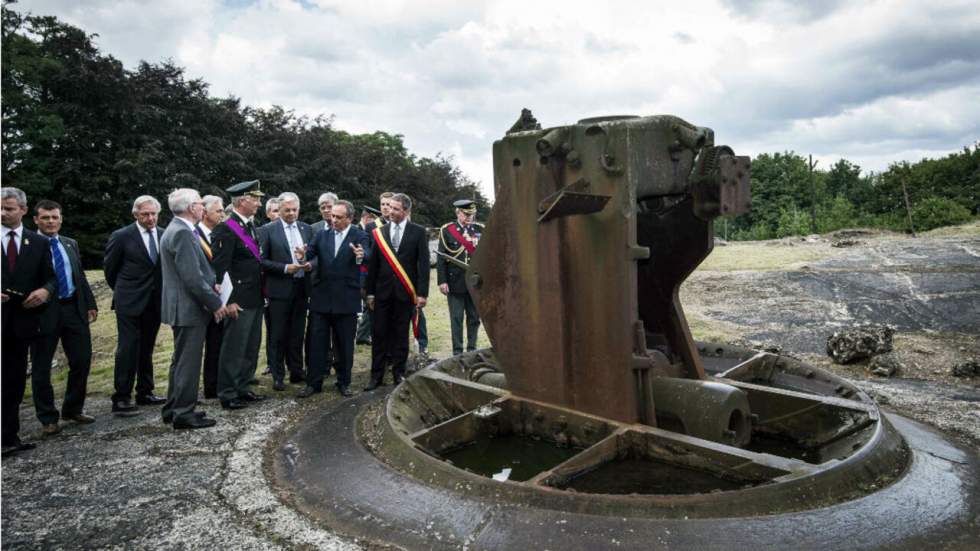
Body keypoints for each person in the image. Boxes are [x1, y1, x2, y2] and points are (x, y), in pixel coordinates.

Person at [29, 200, 99, 436]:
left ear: (61, 219)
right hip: (43, 313)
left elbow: (79, 275)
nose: (51, 221)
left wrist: (89, 304)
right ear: (36, 219)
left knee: (81, 360)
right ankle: (48, 417)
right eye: (45, 218)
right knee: (41, 366)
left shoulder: (70, 243)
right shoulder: (30, 245)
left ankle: (73, 408)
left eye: (55, 217)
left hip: (73, 309)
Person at [159, 189, 226, 429]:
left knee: (180, 360)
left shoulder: (177, 229)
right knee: (188, 361)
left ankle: (173, 407)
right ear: (191, 208)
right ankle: (184, 413)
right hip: (190, 307)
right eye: (199, 203)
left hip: (183, 306)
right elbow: (192, 278)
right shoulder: (183, 233)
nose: (202, 207)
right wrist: (215, 303)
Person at [2, 187, 57, 456]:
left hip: (21, 322)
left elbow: (51, 277)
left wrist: (45, 291)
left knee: (13, 380)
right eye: (0, 208)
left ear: (23, 210)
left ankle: (8, 436)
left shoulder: (38, 243)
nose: (3, 213)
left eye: (9, 208)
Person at [299, 200, 368, 397]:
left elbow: (367, 253)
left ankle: (343, 382)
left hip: (346, 298)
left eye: (338, 217)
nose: (333, 220)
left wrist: (361, 255)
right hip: (321, 297)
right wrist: (302, 256)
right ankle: (314, 383)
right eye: (332, 216)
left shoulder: (359, 235)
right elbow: (309, 254)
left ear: (350, 218)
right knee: (316, 342)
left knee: (344, 344)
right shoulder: (322, 234)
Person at [104, 195, 166, 415]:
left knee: (147, 347)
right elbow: (110, 270)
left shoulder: (163, 234)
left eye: (153, 214)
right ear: (135, 214)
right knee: (128, 348)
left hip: (154, 301)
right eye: (145, 214)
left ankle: (145, 391)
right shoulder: (122, 236)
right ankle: (121, 397)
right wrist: (125, 292)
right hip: (129, 301)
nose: (150, 218)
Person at [211, 180, 268, 410]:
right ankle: (228, 392)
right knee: (234, 347)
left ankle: (243, 387)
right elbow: (219, 269)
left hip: (254, 295)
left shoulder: (249, 225)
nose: (259, 203)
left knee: (251, 345)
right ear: (242, 200)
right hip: (238, 299)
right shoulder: (226, 228)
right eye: (255, 199)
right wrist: (228, 300)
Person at [365, 193, 429, 390]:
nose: (390, 212)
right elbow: (373, 265)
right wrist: (370, 293)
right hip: (382, 293)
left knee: (401, 334)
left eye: (395, 209)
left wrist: (422, 293)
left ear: (406, 211)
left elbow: (423, 265)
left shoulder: (418, 232)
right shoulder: (379, 232)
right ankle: (376, 376)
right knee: (379, 334)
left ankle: (399, 373)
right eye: (389, 208)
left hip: (405, 293)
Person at [258, 192, 312, 391]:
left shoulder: (307, 229)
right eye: (287, 210)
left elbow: (315, 256)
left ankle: (297, 371)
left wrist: (308, 264)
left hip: (301, 288)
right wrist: (284, 267)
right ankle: (278, 375)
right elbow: (261, 261)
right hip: (279, 289)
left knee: (298, 332)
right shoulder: (267, 230)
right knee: (278, 334)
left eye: (294, 210)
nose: (291, 213)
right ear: (278, 210)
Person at [437, 199, 484, 356]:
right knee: (456, 318)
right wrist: (442, 281)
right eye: (466, 214)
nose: (470, 217)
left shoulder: (480, 229)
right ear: (457, 213)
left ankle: (472, 349)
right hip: (455, 282)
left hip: (475, 282)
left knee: (474, 317)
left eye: (472, 214)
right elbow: (441, 258)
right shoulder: (448, 230)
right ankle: (457, 351)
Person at [197, 195, 225, 399]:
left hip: (221, 297)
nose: (223, 214)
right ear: (204, 213)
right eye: (219, 211)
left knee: (217, 343)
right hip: (200, 300)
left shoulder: (220, 233)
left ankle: (214, 385)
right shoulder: (193, 234)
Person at [354, 205, 382, 345]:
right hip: (362, 275)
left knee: (368, 307)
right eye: (372, 220)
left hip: (366, 274)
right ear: (367, 218)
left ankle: (362, 335)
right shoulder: (358, 231)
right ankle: (364, 334)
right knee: (370, 306)